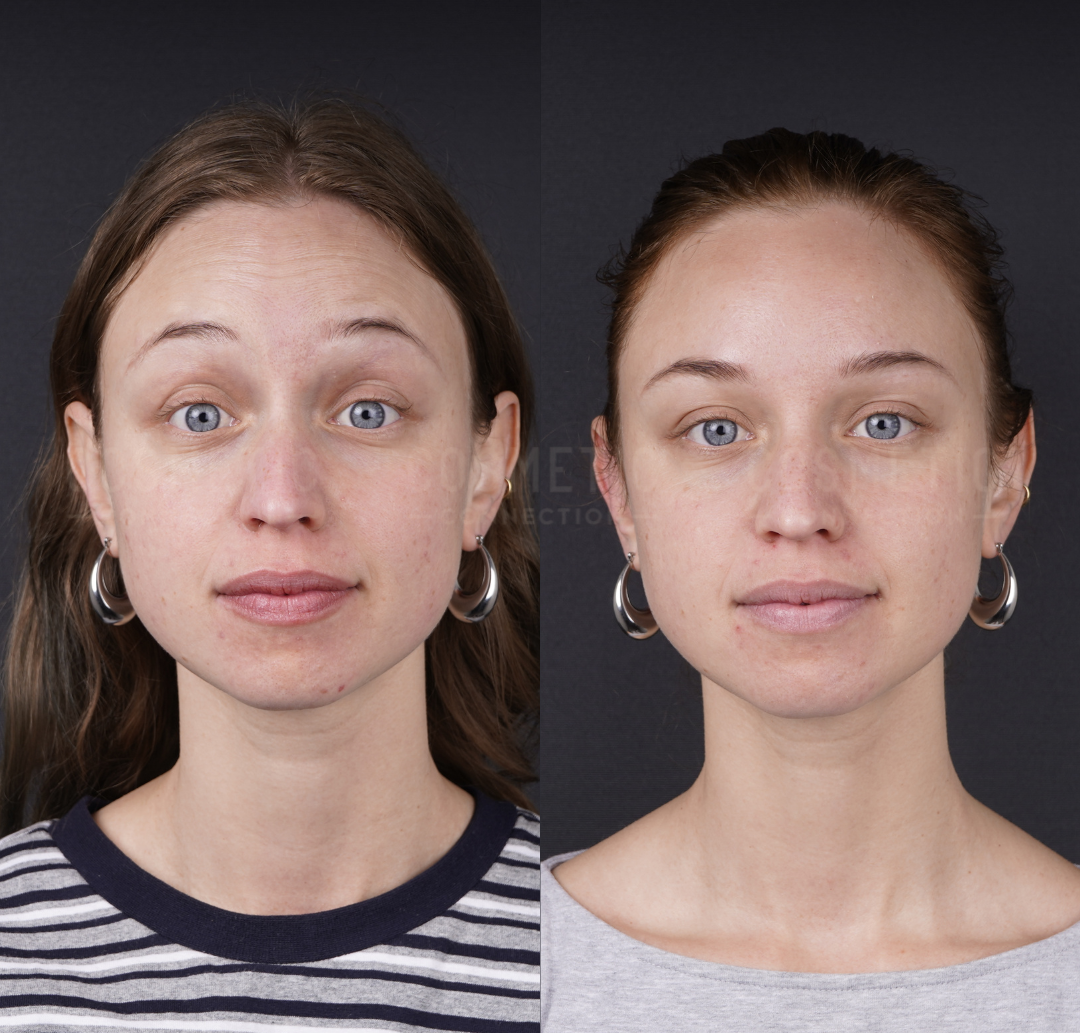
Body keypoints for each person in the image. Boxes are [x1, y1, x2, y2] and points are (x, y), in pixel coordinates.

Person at [0, 99, 539, 1030]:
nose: (283, 496)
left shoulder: (598, 955)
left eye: (367, 410)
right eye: (200, 413)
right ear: (97, 475)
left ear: (485, 467)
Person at [541, 129, 1080, 1030]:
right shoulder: (518, 971)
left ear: (1005, 476)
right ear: (618, 490)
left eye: (884, 424)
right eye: (716, 429)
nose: (798, 511)